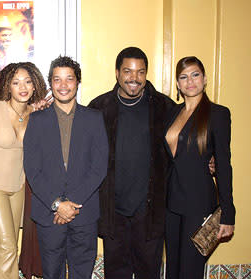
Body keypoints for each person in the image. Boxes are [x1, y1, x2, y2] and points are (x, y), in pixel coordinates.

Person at [88, 47, 175, 279]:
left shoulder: (165, 108)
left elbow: (186, 144)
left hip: (150, 211)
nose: (134, 78)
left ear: (146, 74)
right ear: (117, 73)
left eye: (140, 72)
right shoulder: (98, 108)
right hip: (112, 210)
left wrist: (207, 160)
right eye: (128, 71)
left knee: (149, 273)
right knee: (116, 274)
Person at [23, 56, 109, 279]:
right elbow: (32, 169)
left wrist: (70, 204)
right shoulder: (37, 120)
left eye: (69, 79)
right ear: (50, 83)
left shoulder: (94, 118)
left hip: (84, 212)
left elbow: (99, 167)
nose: (63, 85)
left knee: (83, 273)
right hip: (48, 214)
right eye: (57, 79)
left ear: (78, 82)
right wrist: (57, 204)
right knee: (52, 274)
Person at [164, 56, 235, 278]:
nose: (190, 81)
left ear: (204, 79)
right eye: (184, 77)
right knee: (173, 270)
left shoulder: (218, 114)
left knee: (190, 272)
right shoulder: (172, 113)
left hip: (199, 206)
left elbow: (223, 164)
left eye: (195, 75)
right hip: (171, 204)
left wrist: (228, 213)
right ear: (177, 84)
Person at [0, 62, 47, 279]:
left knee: (11, 247)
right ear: (8, 86)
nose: (23, 87)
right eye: (16, 82)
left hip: (18, 187)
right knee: (6, 246)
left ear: (35, 86)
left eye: (27, 82)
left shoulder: (36, 114)